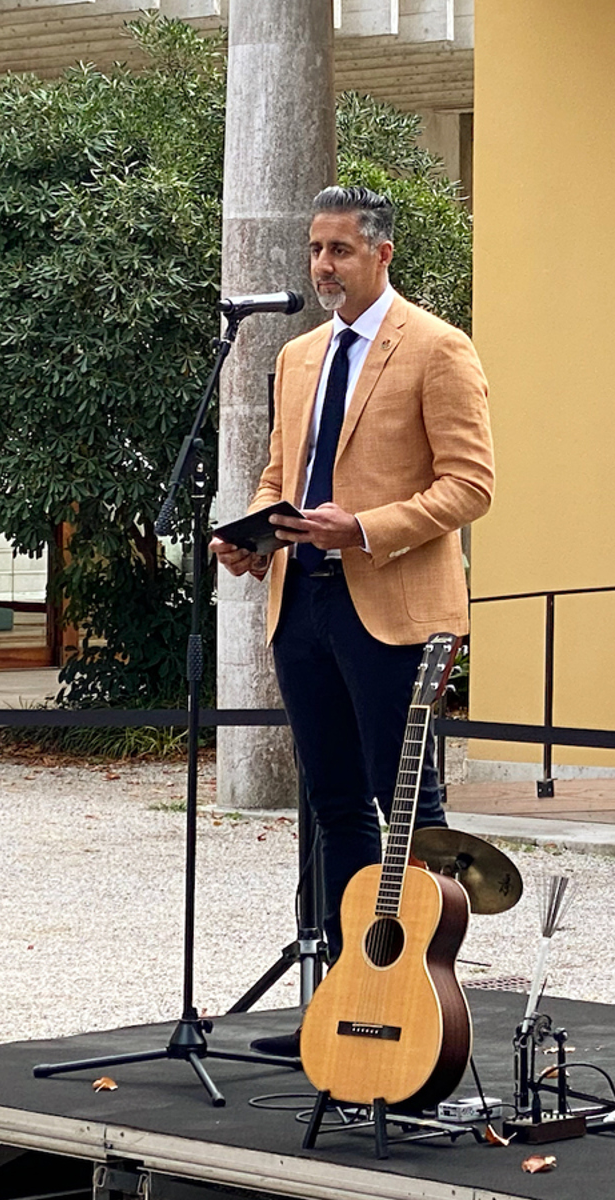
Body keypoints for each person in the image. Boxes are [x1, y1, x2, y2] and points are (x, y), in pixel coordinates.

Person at [210, 185, 493, 1057]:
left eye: (338, 250)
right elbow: (279, 471)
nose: (322, 267)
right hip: (304, 606)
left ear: (381, 254)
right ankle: (341, 996)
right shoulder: (296, 358)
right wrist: (255, 533)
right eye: (315, 250)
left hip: (395, 610)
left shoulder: (439, 349)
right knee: (333, 807)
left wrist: (364, 528)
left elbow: (470, 487)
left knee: (407, 806)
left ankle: (421, 1000)